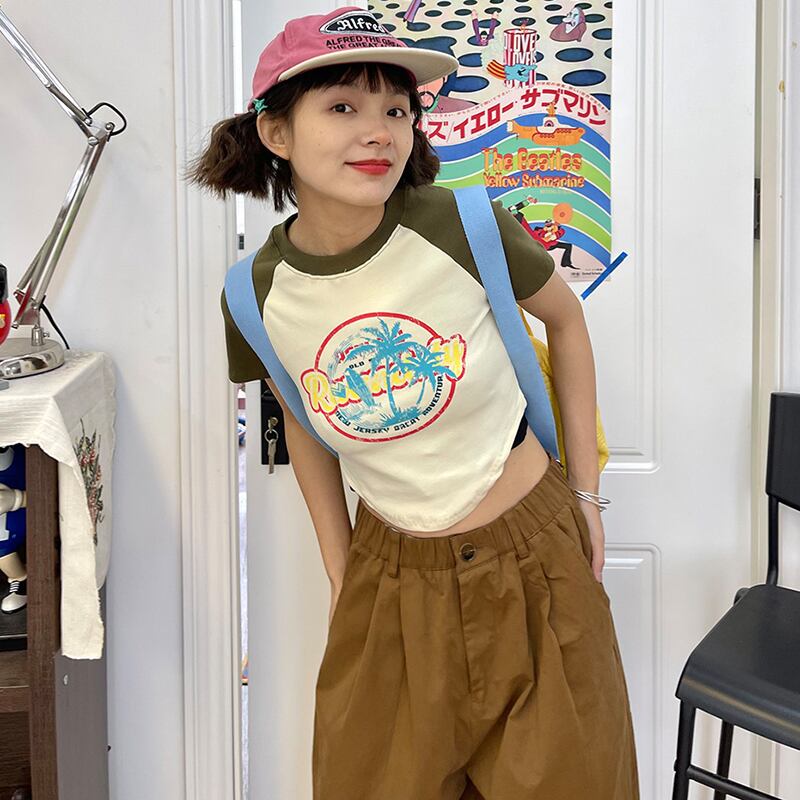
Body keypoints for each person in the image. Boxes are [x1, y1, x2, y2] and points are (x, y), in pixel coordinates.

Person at [185, 7, 639, 798]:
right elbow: (303, 424)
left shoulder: (464, 225)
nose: (379, 132)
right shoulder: (253, 295)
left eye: (397, 110)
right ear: (276, 132)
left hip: (535, 561)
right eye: (342, 107)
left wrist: (588, 498)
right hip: (390, 578)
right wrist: (341, 572)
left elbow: (566, 322)